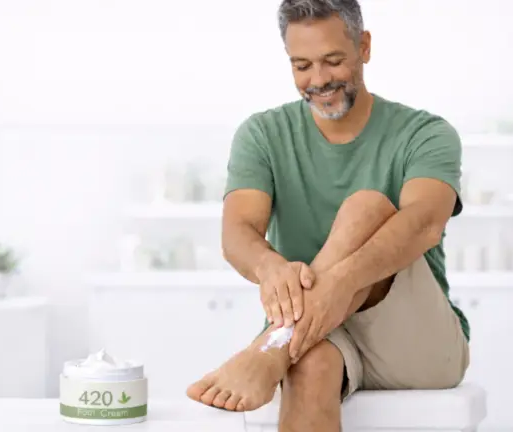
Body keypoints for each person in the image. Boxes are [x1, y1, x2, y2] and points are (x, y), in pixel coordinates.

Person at [186, 0, 470, 430]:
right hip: (319, 334)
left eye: (333, 61)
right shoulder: (262, 134)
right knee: (310, 363)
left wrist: (341, 284)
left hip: (415, 342)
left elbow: (425, 223)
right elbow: (237, 231)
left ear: (364, 47)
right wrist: (270, 267)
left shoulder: (426, 133)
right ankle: (288, 341)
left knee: (368, 207)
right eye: (302, 66)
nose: (318, 80)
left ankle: (275, 344)